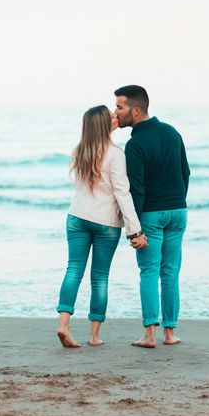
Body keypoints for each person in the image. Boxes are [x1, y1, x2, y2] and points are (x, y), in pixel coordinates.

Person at [57, 105, 148, 348]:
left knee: (73, 270)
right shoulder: (116, 154)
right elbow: (122, 193)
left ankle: (63, 325)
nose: (115, 115)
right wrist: (135, 230)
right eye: (111, 116)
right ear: (102, 124)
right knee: (99, 277)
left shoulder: (80, 151)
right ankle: (94, 335)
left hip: (76, 217)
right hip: (105, 222)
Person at [114, 85, 190, 348]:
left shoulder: (135, 145)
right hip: (178, 212)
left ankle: (149, 335)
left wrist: (134, 229)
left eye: (120, 107)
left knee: (149, 271)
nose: (116, 112)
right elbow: (185, 172)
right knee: (170, 272)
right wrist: (178, 202)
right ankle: (170, 333)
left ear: (135, 110)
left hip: (152, 215)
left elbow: (136, 190)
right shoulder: (171, 132)